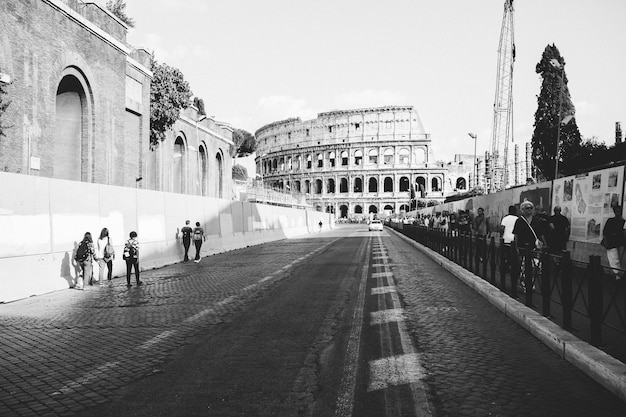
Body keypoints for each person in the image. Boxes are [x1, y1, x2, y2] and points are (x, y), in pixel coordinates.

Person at [602, 205, 626, 279]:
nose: (618, 213)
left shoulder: (623, 221)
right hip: (611, 242)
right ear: (614, 212)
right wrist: (606, 241)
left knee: (620, 258)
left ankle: (618, 274)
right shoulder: (610, 220)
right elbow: (605, 232)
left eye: (619, 211)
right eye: (617, 211)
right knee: (614, 258)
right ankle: (617, 275)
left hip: (620, 242)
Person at [500, 205, 519, 274]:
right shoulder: (517, 218)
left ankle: (507, 265)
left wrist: (501, 235)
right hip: (514, 239)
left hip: (506, 239)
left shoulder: (505, 218)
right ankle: (512, 266)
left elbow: (502, 228)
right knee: (514, 254)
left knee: (507, 254)